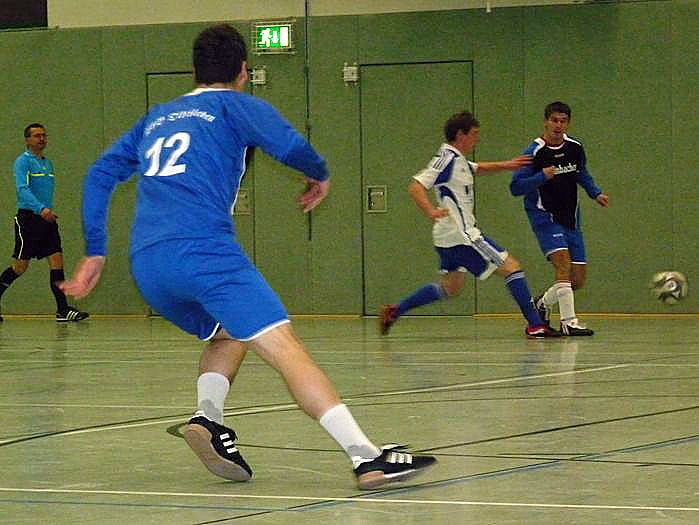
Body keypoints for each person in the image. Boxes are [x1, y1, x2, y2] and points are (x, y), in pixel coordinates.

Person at [60, 24, 435, 490]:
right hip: (206, 253)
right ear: (242, 70)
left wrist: (95, 251)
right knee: (285, 348)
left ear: (194, 70)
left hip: (149, 263)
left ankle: (208, 419)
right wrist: (319, 175)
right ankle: (366, 457)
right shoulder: (234, 105)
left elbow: (100, 172)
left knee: (229, 333)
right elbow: (292, 146)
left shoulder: (158, 116)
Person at [379, 111, 559, 339]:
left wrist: (507, 165)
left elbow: (478, 168)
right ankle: (536, 325)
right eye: (474, 134)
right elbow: (416, 186)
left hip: (446, 238)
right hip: (463, 236)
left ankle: (395, 311)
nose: (477, 138)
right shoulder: (446, 159)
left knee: (450, 288)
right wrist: (431, 210)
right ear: (460, 135)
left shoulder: (458, 160)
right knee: (512, 267)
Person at [510, 101, 609, 336]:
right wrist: (541, 177)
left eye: (563, 121)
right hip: (544, 217)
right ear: (546, 122)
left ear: (568, 123)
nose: (558, 125)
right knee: (562, 263)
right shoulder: (534, 152)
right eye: (554, 120)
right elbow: (515, 187)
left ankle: (543, 303)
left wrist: (595, 193)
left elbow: (581, 173)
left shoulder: (575, 147)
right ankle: (568, 322)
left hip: (571, 218)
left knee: (577, 279)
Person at [0, 123, 89, 323]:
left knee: (57, 261)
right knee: (20, 266)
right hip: (28, 220)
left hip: (47, 221)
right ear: (27, 140)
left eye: (44, 135)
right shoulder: (22, 162)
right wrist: (40, 209)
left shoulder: (48, 163)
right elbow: (22, 189)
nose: (41, 139)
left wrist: (46, 212)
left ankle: (62, 310)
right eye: (37, 135)